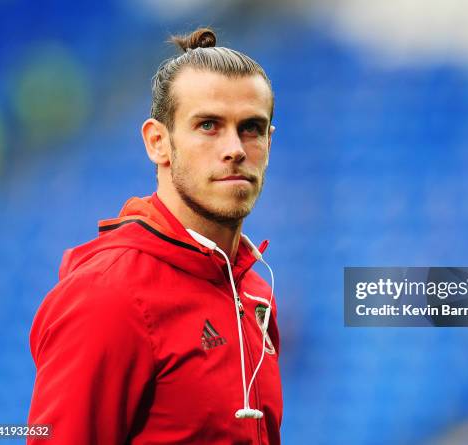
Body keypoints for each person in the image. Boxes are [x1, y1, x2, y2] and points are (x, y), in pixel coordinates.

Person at [28, 28, 282, 444]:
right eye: (208, 125)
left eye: (251, 128)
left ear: (269, 141)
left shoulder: (254, 294)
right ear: (158, 142)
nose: (235, 148)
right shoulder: (108, 296)